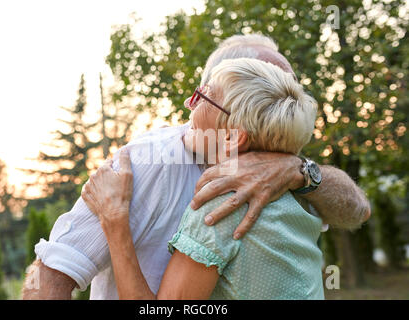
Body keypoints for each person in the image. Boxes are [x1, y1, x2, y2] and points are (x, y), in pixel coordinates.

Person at [22, 35, 370, 300]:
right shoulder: (143, 163)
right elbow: (52, 274)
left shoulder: (238, 200)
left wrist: (299, 171)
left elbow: (356, 210)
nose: (191, 104)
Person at [82, 57, 325, 299]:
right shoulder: (303, 196)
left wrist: (115, 222)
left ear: (232, 137)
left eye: (204, 96)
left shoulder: (222, 208)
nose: (189, 102)